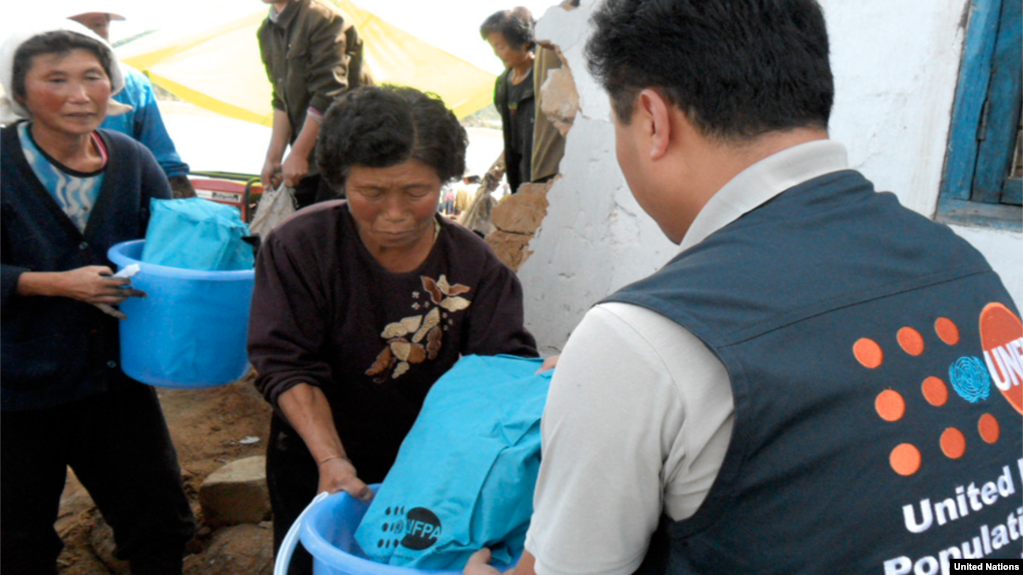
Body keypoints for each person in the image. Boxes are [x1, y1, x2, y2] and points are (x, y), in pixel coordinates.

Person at [465, 0, 1023, 574]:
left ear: (654, 120)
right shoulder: (963, 266)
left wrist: (620, 366)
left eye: (618, 125)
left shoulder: (640, 339)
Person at [248, 85, 538, 575]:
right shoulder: (301, 247)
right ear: (341, 180)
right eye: (372, 193)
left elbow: (503, 375)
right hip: (315, 454)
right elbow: (285, 362)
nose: (396, 213)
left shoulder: (475, 266)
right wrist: (330, 459)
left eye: (416, 192)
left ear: (443, 181)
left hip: (431, 474)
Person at [0, 21, 195, 575]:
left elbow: (170, 246)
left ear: (113, 86)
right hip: (15, 384)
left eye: (93, 76)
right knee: (18, 534)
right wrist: (54, 282)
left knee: (160, 525)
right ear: (20, 91)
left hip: (114, 377)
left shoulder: (132, 160)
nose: (79, 94)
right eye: (55, 79)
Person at [67, 6, 197, 199]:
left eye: (98, 25)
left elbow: (161, 154)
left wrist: (184, 202)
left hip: (117, 198)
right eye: (76, 25)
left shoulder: (133, 82)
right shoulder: (32, 79)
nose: (88, 35)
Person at [258, 0, 369, 209]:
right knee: (301, 231)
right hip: (308, 158)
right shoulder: (266, 30)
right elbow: (281, 98)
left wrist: (298, 154)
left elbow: (329, 94)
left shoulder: (324, 17)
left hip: (348, 155)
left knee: (332, 229)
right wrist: (273, 159)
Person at [481, 8, 536, 194]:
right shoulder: (503, 85)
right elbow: (512, 135)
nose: (497, 53)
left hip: (543, 176)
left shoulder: (545, 79)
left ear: (525, 43)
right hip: (519, 177)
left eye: (500, 46)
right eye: (493, 47)